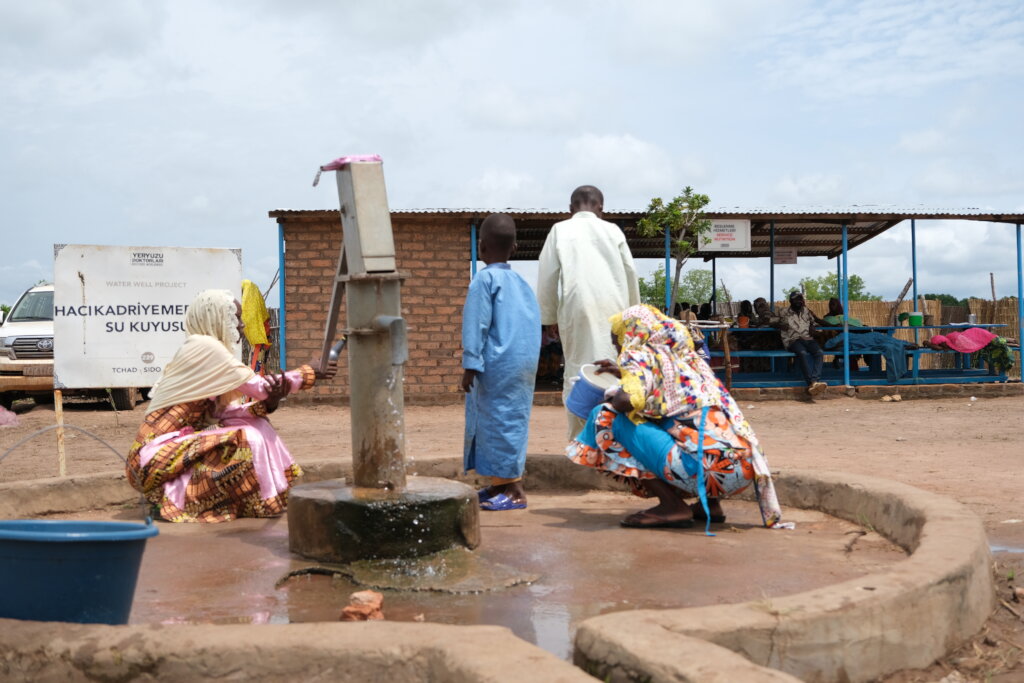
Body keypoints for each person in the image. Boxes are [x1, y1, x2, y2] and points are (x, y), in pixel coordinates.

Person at [566, 305, 787, 529]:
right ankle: (709, 504)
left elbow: (624, 403)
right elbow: (663, 388)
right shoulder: (690, 361)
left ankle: (672, 506)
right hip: (741, 471)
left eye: (618, 341)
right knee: (694, 429)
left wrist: (607, 396)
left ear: (633, 336)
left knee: (605, 416)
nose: (618, 348)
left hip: (705, 471)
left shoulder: (639, 357)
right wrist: (623, 373)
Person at [126, 290, 337, 523]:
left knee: (258, 426)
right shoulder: (204, 347)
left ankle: (265, 499)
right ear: (215, 317)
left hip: (178, 446)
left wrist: (269, 402)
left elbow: (230, 412)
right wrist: (310, 372)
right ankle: (182, 501)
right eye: (235, 317)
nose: (241, 324)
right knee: (246, 438)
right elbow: (259, 387)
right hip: (152, 456)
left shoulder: (211, 351)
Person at [537, 185, 640, 439]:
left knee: (578, 370)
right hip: (616, 309)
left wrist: (548, 318)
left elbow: (548, 275)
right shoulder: (613, 230)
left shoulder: (560, 229)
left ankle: (580, 440)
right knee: (616, 369)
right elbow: (630, 273)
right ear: (601, 208)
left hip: (576, 309)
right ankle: (615, 438)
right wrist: (633, 316)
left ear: (570, 209)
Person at [461, 214, 541, 511]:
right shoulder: (522, 283)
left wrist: (470, 365)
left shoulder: (484, 279)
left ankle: (515, 491)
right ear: (516, 248)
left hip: (495, 365)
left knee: (496, 425)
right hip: (522, 365)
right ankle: (498, 485)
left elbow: (476, 325)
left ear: (480, 247)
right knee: (510, 422)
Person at [770, 291, 827, 396]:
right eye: (796, 299)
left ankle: (814, 381)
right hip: (793, 339)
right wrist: (779, 325)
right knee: (803, 353)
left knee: (819, 353)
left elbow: (813, 321)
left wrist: (812, 326)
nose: (799, 301)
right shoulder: (783, 311)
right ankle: (812, 383)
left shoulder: (806, 311)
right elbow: (771, 321)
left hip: (808, 339)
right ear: (791, 301)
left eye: (800, 299)